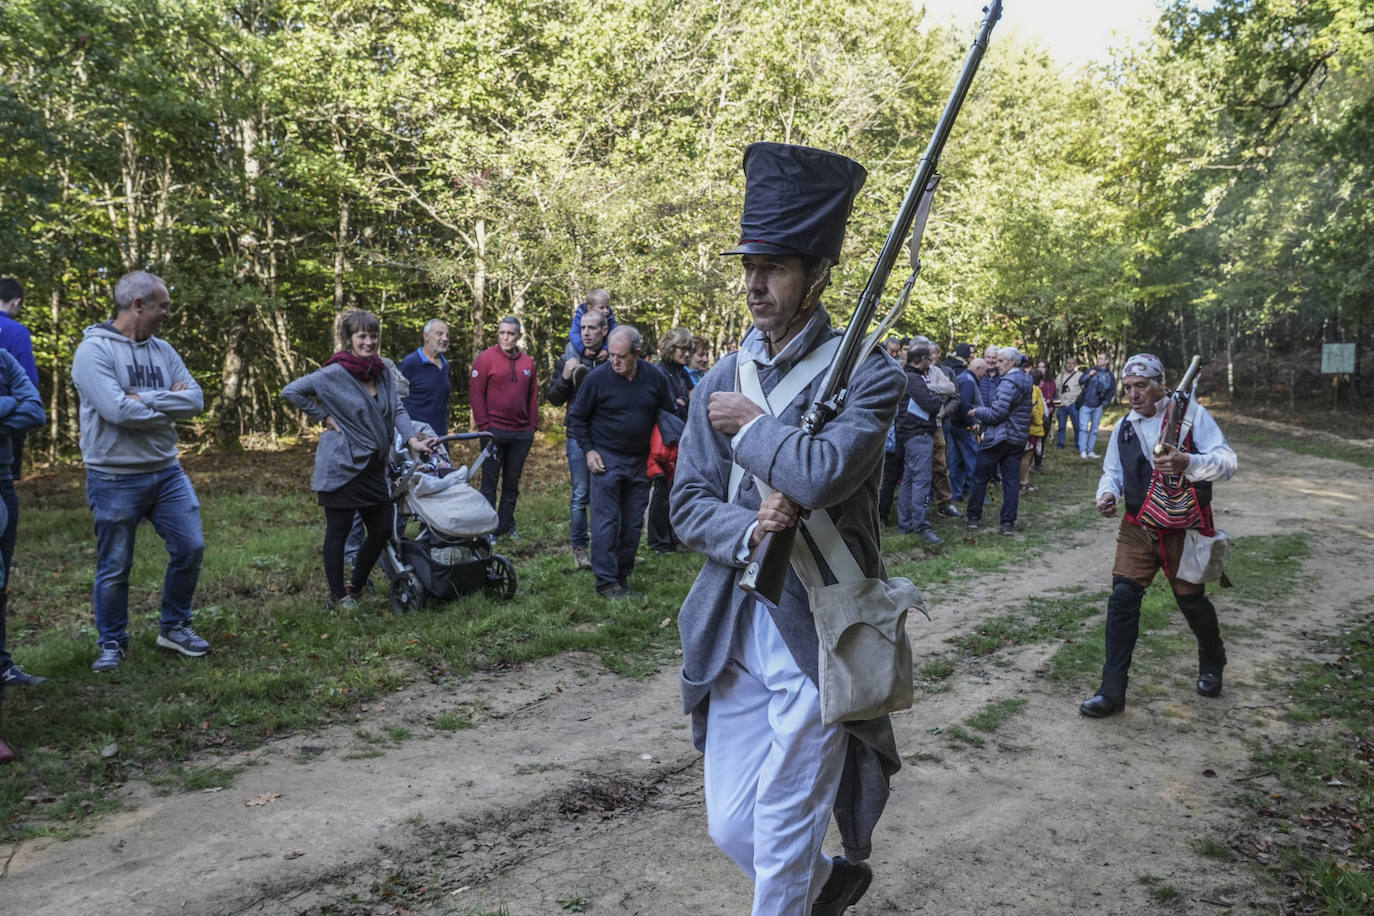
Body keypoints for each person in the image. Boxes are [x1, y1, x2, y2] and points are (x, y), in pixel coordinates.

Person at [670, 142, 902, 916]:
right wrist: (748, 528)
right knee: (733, 822)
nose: (754, 283)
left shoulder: (870, 370)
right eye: (749, 266)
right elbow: (688, 503)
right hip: (737, 622)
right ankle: (827, 886)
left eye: (772, 267)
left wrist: (756, 426)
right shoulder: (718, 376)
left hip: (820, 631)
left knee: (779, 826)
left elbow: (827, 472)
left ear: (817, 276)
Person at [1079, 353, 1237, 718]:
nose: (1133, 394)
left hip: (1185, 526)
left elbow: (1228, 462)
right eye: (1128, 387)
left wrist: (1189, 462)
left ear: (1161, 385)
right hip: (1138, 526)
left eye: (1142, 386)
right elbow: (1112, 472)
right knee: (1122, 600)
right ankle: (1111, 692)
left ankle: (1212, 659)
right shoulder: (1124, 426)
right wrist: (1106, 494)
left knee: (1191, 602)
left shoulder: (1193, 417)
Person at [71, 271, 211, 671]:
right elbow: (115, 410)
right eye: (162, 307)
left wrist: (142, 400)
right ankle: (112, 642)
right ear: (138, 305)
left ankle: (175, 626)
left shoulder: (164, 350)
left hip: (167, 471)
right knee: (115, 566)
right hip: (113, 476)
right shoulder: (94, 352)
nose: (167, 313)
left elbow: (196, 401)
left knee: (191, 548)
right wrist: (166, 407)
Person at [283, 310, 432, 608]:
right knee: (338, 532)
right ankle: (338, 598)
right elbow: (292, 391)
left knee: (379, 529)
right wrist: (322, 416)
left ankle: (357, 586)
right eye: (362, 336)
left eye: (373, 335)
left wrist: (413, 439)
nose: (369, 341)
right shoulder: (334, 373)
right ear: (349, 339)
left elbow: (398, 411)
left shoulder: (382, 371)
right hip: (341, 465)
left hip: (373, 466)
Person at [566, 325, 673, 599]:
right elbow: (577, 418)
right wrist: (589, 451)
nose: (614, 361)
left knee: (633, 523)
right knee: (605, 522)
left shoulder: (655, 378)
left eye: (621, 356)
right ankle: (606, 583)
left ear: (637, 353)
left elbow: (669, 412)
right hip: (606, 458)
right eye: (611, 354)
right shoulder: (596, 379)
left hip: (641, 461)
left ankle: (622, 577)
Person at [547, 309, 610, 569]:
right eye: (583, 327)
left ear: (604, 331)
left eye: (592, 328)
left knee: (604, 495)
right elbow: (552, 398)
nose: (586, 332)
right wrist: (564, 377)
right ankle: (580, 550)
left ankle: (606, 550)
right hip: (576, 434)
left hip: (606, 435)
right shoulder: (568, 359)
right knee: (580, 494)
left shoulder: (612, 360)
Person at [0, 348, 46, 688]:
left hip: (3, 482)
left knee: (0, 581)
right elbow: (20, 406)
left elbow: (34, 410)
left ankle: (2, 664)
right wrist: (7, 404)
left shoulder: (3, 358)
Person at [470, 316, 539, 539]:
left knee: (512, 482)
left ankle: (506, 525)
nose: (505, 337)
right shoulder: (485, 359)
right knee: (489, 481)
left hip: (521, 434)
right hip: (493, 432)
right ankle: (487, 528)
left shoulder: (528, 363)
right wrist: (484, 426)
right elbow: (476, 395)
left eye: (510, 333)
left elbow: (532, 397)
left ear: (519, 336)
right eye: (502, 333)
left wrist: (531, 428)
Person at [966, 346, 1032, 536]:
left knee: (980, 476)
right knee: (1011, 481)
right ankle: (1007, 523)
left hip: (1000, 437)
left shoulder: (1009, 381)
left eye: (1001, 361)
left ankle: (973, 517)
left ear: (1012, 362)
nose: (996, 364)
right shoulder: (1026, 379)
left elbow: (997, 413)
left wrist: (977, 412)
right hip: (1018, 438)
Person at [646, 328, 695, 553]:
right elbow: (658, 405)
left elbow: (693, 397)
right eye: (682, 348)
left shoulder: (682, 372)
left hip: (681, 434)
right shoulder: (659, 371)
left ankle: (674, 536)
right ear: (670, 348)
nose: (686, 353)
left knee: (676, 488)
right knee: (662, 488)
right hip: (665, 438)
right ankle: (658, 540)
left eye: (688, 349)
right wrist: (678, 404)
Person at [896, 343, 944, 544]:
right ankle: (921, 526)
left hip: (908, 435)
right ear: (923, 359)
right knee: (921, 480)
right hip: (919, 435)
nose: (931, 363)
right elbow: (932, 404)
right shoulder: (914, 379)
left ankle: (905, 524)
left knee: (909, 479)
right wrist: (936, 398)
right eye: (929, 359)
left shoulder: (903, 376)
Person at [0, 278, 40, 479]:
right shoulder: (16, 331)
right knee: (6, 483)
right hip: (7, 420)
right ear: (16, 302)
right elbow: (28, 380)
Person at [399, 318, 452, 436]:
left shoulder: (445, 366)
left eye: (447, 335)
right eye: (440, 334)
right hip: (416, 437)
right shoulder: (410, 364)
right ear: (426, 336)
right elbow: (395, 401)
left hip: (440, 436)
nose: (445, 338)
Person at [948, 356, 986, 503]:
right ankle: (978, 495)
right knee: (973, 461)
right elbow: (964, 404)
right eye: (984, 371)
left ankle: (956, 494)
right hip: (965, 427)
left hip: (955, 425)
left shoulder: (961, 378)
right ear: (977, 369)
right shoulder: (969, 382)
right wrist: (972, 422)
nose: (984, 375)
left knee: (955, 462)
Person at [1078, 351, 1115, 459]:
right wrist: (1089, 375)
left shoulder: (1110, 375)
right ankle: (1083, 451)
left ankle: (1090, 451)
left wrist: (1105, 402)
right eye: (1098, 358)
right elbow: (1081, 381)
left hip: (1098, 405)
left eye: (1101, 359)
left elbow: (1112, 390)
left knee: (1094, 429)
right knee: (1083, 428)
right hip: (1086, 404)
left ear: (1107, 361)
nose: (1098, 360)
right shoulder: (1092, 370)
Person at [1019, 368, 1047, 491]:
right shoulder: (1034, 391)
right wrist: (1039, 421)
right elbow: (1033, 409)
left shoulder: (1033, 390)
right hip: (1032, 429)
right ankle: (1023, 480)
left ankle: (1025, 478)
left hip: (1033, 429)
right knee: (1027, 456)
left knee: (1028, 456)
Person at [569, 288, 617, 353]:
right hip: (583, 346)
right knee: (570, 347)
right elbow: (574, 333)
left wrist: (606, 349)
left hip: (603, 346)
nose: (606, 311)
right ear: (589, 308)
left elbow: (614, 334)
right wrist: (583, 349)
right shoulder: (579, 317)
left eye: (607, 307)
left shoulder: (609, 317)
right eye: (601, 308)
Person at [1054, 356, 1083, 449]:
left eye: (1072, 363)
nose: (1070, 365)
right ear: (1065, 364)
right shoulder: (1060, 376)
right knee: (1061, 426)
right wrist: (1056, 405)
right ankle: (1060, 443)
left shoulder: (1080, 375)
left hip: (1074, 403)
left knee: (1077, 425)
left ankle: (1078, 443)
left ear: (1075, 365)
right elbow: (1056, 390)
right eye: (1068, 363)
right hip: (1062, 404)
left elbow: (1085, 390)